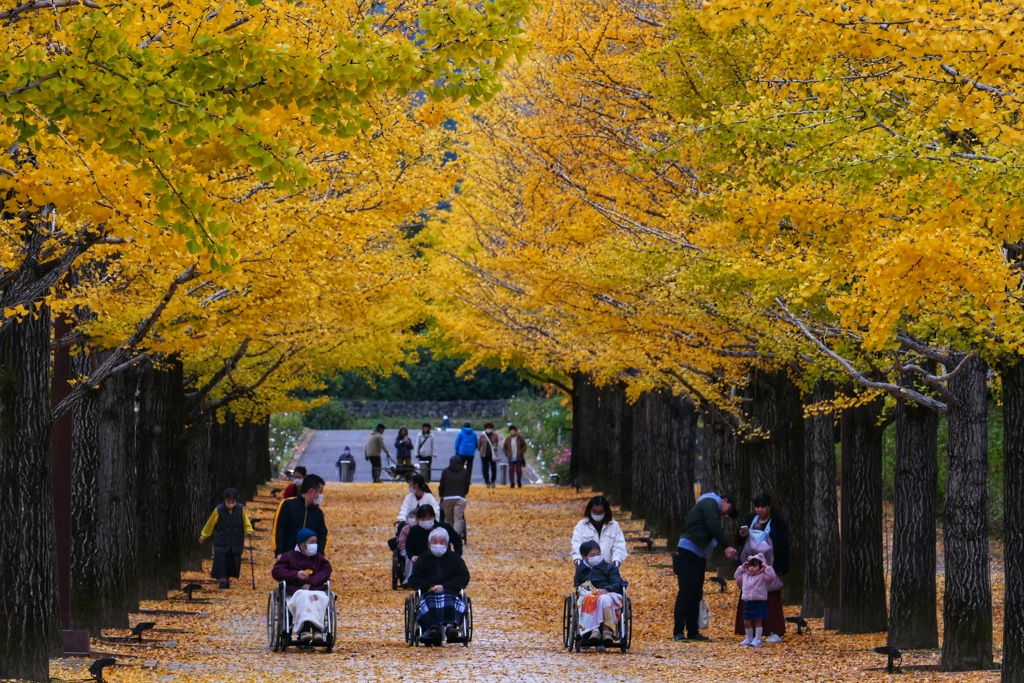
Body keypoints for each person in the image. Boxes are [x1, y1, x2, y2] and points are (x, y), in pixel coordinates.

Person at [673, 492, 739, 642]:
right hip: (688, 552)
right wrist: (726, 546)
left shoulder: (708, 505)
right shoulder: (711, 502)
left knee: (696, 594)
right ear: (724, 500)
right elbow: (713, 524)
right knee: (685, 592)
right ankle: (678, 632)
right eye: (728, 510)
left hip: (698, 554)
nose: (725, 514)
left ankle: (693, 631)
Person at [733, 492, 790, 642]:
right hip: (751, 568)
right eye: (757, 507)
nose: (759, 510)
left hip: (768, 566)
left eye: (763, 507)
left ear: (769, 507)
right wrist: (742, 535)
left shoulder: (777, 523)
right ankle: (747, 631)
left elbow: (783, 545)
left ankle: (775, 630)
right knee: (749, 596)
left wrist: (781, 566)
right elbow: (740, 540)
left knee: (771, 599)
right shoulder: (750, 520)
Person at [407, 527, 471, 644]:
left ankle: (451, 626)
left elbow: (464, 577)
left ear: (447, 544)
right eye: (435, 542)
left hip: (450, 591)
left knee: (450, 598)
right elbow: (413, 579)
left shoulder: (455, 559)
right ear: (429, 544)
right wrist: (430, 586)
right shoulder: (423, 558)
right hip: (429, 592)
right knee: (430, 600)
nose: (438, 545)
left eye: (442, 542)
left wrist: (445, 586)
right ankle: (433, 627)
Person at [271, 529, 333, 644]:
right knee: (304, 596)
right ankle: (304, 630)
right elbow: (277, 571)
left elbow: (326, 570)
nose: (314, 545)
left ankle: (317, 630)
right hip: (295, 590)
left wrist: (311, 582)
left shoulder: (318, 558)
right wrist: (295, 574)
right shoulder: (288, 556)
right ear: (302, 545)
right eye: (312, 542)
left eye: (315, 542)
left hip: (315, 588)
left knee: (318, 597)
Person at [574, 540, 626, 651]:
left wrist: (606, 589)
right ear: (584, 557)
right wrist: (583, 587)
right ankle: (594, 630)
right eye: (592, 555)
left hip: (608, 593)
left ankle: (607, 630)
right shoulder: (581, 569)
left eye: (598, 554)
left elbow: (617, 584)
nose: (596, 557)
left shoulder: (610, 568)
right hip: (588, 594)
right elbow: (577, 585)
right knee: (588, 599)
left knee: (603, 599)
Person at [198, 487, 254, 589]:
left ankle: (227, 580)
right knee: (221, 561)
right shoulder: (218, 510)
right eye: (228, 500)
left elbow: (246, 522)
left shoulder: (241, 509)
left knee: (232, 562)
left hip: (235, 541)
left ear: (235, 500)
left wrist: (249, 531)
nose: (230, 502)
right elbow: (210, 524)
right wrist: (203, 535)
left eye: (232, 500)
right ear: (225, 500)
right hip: (221, 541)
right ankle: (222, 581)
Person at [273, 474, 328, 558]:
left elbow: (322, 535)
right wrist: (279, 552)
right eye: (320, 492)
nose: (321, 496)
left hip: (310, 561)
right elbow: (278, 529)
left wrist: (320, 554)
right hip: (288, 558)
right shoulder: (287, 505)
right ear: (312, 491)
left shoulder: (318, 513)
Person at [734, 553, 777, 648]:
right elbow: (737, 576)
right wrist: (742, 567)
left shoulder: (762, 576)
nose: (751, 568)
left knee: (758, 620)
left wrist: (766, 567)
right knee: (746, 621)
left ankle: (757, 639)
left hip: (759, 601)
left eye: (754, 566)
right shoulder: (745, 576)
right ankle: (749, 637)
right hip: (748, 601)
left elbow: (772, 576)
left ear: (760, 566)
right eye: (750, 566)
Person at [571, 495, 628, 567]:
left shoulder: (614, 526)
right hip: (587, 569)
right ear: (590, 510)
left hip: (608, 568)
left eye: (600, 512)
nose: (597, 514)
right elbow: (576, 545)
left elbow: (619, 546)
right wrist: (578, 560)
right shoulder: (581, 525)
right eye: (594, 512)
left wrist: (616, 562)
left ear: (605, 512)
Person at [439, 455, 471, 539]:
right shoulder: (464, 472)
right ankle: (456, 536)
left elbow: (442, 485)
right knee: (458, 518)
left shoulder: (446, 471)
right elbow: (466, 486)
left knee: (448, 518)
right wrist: (463, 493)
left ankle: (448, 535)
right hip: (460, 497)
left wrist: (441, 494)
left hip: (447, 497)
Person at [477, 422, 500, 488]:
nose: (489, 429)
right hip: (484, 454)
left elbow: (496, 443)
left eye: (490, 428)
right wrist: (480, 450)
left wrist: (495, 446)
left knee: (493, 468)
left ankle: (493, 480)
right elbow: (479, 444)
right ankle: (487, 481)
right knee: (485, 468)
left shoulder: (495, 435)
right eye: (487, 428)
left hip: (492, 454)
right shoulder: (482, 435)